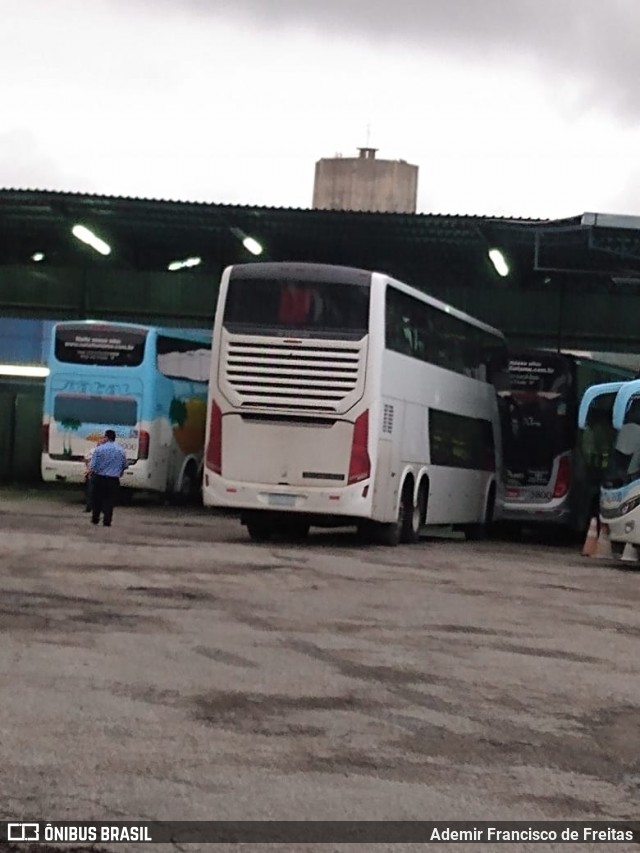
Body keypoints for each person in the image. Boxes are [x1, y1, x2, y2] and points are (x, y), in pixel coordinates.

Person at [89, 429, 128, 527]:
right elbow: (125, 465)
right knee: (110, 500)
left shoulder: (99, 449)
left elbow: (93, 466)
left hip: (99, 478)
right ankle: (107, 520)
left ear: (106, 437)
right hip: (113, 479)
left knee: (97, 499)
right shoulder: (121, 450)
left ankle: (95, 518)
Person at [83, 436, 107, 512]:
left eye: (102, 442)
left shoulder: (107, 452)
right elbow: (86, 460)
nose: (99, 443)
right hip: (92, 473)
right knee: (90, 492)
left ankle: (101, 508)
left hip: (101, 474)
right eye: (99, 442)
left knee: (101, 492)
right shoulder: (93, 450)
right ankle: (89, 507)